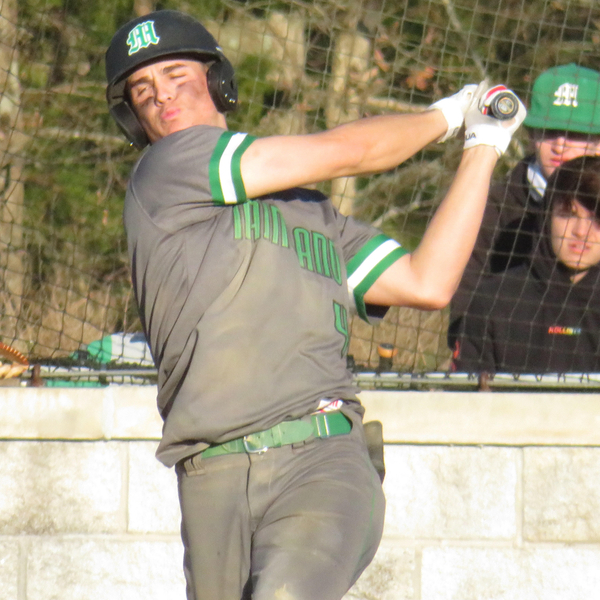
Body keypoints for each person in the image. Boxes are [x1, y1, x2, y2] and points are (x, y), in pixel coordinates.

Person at [104, 9, 525, 600]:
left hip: (321, 457)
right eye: (142, 91)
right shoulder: (166, 170)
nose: (162, 97)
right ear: (132, 118)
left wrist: (483, 143)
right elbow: (348, 153)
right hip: (212, 474)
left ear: (217, 81)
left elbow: (426, 282)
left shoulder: (311, 211)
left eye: (177, 73)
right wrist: (448, 115)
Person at [449, 63, 600, 351]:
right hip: (503, 360)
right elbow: (463, 298)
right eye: (549, 131)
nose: (560, 145)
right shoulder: (490, 204)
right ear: (531, 135)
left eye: (576, 134)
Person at [453, 155, 600, 374]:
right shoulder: (495, 299)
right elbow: (463, 400)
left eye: (597, 219)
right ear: (547, 217)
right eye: (568, 214)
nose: (581, 231)